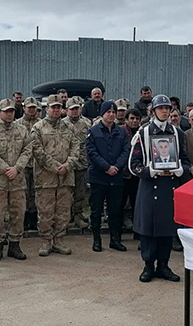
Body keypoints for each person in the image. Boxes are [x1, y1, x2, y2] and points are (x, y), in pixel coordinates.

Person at [128, 94, 189, 283]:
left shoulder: (177, 133)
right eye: (160, 108)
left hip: (168, 187)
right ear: (153, 111)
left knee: (165, 228)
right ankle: (148, 265)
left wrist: (180, 169)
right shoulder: (143, 133)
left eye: (167, 108)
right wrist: (149, 170)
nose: (164, 111)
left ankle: (164, 265)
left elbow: (185, 161)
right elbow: (133, 163)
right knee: (148, 229)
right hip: (149, 186)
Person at [0, 99, 32, 261]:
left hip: (17, 179)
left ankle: (15, 244)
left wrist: (17, 168)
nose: (9, 114)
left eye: (11, 111)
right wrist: (5, 168)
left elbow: (27, 150)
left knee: (18, 213)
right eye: (6, 111)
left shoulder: (22, 130)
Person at [31, 94, 80, 256]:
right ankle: (46, 241)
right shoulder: (38, 128)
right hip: (46, 178)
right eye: (53, 107)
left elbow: (76, 148)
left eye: (59, 107)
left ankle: (59, 240)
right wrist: (55, 167)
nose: (56, 110)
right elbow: (38, 151)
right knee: (45, 211)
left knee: (63, 211)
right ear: (47, 109)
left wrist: (67, 165)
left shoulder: (69, 128)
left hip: (66, 177)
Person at [85, 100, 130, 252]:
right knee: (96, 210)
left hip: (116, 177)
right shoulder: (93, 131)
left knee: (115, 210)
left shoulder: (121, 132)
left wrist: (117, 167)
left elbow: (126, 150)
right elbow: (92, 152)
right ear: (102, 114)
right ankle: (96, 240)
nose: (111, 115)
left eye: (113, 112)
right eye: (108, 112)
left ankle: (115, 239)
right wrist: (106, 167)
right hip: (99, 176)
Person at [63, 97, 92, 229]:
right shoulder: (61, 124)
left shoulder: (87, 123)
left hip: (82, 163)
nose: (75, 111)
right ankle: (66, 217)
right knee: (66, 192)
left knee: (80, 192)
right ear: (67, 110)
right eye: (72, 109)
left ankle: (78, 216)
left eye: (77, 108)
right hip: (67, 163)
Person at [18, 97, 42, 231]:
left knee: (36, 191)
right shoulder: (18, 124)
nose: (31, 110)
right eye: (29, 107)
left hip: (38, 163)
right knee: (24, 192)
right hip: (23, 164)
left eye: (34, 107)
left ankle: (34, 218)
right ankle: (24, 218)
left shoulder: (41, 124)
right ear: (24, 108)